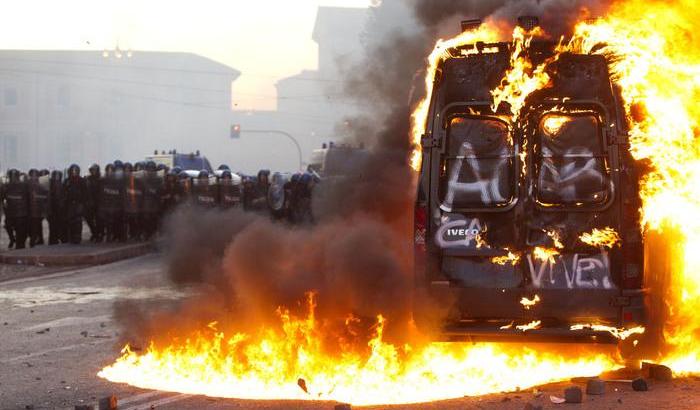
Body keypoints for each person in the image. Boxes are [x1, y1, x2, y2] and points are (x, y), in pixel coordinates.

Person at [2, 169, 29, 249]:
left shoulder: (6, 186)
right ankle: (17, 243)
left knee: (12, 227)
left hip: (14, 213)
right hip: (18, 213)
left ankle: (15, 242)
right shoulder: (24, 185)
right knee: (18, 230)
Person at [99, 163, 125, 242]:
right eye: (108, 170)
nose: (110, 172)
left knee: (117, 222)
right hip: (106, 204)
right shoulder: (103, 180)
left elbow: (121, 193)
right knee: (107, 222)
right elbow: (100, 193)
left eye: (111, 170)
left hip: (116, 204)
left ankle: (118, 236)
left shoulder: (118, 181)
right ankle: (109, 236)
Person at [64, 164, 88, 244]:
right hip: (69, 204)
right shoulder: (67, 181)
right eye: (73, 170)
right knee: (70, 221)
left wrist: (83, 204)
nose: (74, 172)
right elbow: (63, 192)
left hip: (79, 203)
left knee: (78, 221)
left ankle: (77, 237)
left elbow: (85, 193)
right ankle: (70, 237)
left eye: (75, 170)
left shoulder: (81, 180)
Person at [27, 168, 49, 247]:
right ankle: (39, 239)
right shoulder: (41, 185)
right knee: (36, 225)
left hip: (35, 210)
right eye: (33, 175)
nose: (34, 177)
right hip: (36, 210)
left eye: (35, 175)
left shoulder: (28, 184)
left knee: (34, 226)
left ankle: (34, 241)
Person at [140, 161, 162, 240]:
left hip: (155, 203)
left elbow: (160, 191)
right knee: (146, 220)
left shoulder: (158, 180)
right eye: (149, 169)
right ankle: (147, 234)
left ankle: (152, 234)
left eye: (152, 169)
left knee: (154, 220)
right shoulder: (143, 179)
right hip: (146, 204)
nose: (150, 171)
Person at [123, 162, 144, 241]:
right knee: (128, 221)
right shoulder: (122, 181)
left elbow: (141, 192)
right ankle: (130, 235)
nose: (127, 172)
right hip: (126, 205)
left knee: (136, 221)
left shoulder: (137, 181)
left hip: (135, 205)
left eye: (129, 170)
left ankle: (136, 235)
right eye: (126, 170)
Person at [85, 164, 102, 242]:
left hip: (99, 202)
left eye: (95, 170)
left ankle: (98, 234)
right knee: (88, 218)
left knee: (99, 220)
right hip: (90, 202)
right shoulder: (88, 179)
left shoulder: (101, 180)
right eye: (92, 170)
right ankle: (94, 232)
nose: (93, 171)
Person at [48, 170, 66, 244]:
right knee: (54, 226)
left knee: (57, 226)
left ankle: (56, 239)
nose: (56, 178)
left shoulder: (60, 185)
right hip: (54, 208)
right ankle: (56, 239)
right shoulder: (53, 185)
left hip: (59, 208)